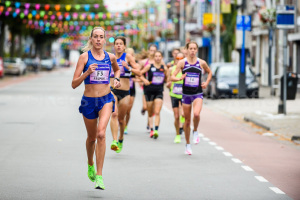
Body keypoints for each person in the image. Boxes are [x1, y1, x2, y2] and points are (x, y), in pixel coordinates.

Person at [71, 27, 121, 189]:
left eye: (101, 37)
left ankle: (99, 175)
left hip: (106, 99)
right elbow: (73, 84)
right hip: (88, 101)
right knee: (91, 138)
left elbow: (117, 69)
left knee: (101, 134)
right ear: (91, 39)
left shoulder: (110, 57)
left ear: (105, 40)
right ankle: (90, 163)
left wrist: (117, 79)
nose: (98, 40)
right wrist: (86, 73)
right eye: (96, 37)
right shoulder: (84, 58)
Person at [171, 41, 212, 155]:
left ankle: (195, 131)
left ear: (197, 50)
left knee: (197, 114)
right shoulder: (182, 63)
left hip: (197, 93)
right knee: (187, 121)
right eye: (191, 49)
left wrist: (206, 82)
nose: (193, 51)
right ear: (187, 50)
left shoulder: (201, 62)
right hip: (186, 94)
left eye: (194, 49)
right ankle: (188, 145)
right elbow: (172, 77)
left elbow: (209, 72)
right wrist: (179, 78)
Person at [110, 36, 141, 153]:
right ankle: (114, 141)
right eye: (116, 44)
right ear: (114, 46)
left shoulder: (128, 57)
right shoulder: (110, 58)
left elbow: (139, 72)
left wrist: (129, 68)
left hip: (125, 92)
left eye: (120, 44)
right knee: (113, 114)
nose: (118, 45)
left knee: (121, 119)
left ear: (124, 46)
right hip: (112, 90)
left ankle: (121, 138)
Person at [140, 51, 168, 139]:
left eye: (159, 56)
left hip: (159, 91)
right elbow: (140, 74)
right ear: (154, 57)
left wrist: (167, 82)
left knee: (157, 112)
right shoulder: (149, 66)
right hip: (149, 91)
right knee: (150, 112)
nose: (158, 58)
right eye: (156, 56)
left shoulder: (164, 68)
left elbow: (167, 78)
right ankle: (151, 129)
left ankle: (156, 130)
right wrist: (144, 80)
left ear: (162, 57)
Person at [166, 52, 185, 143]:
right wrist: (168, 84)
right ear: (175, 59)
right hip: (174, 94)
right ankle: (177, 134)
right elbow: (168, 81)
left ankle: (183, 118)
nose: (179, 60)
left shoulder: (186, 70)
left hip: (184, 95)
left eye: (181, 58)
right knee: (176, 116)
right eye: (178, 58)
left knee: (183, 114)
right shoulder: (171, 69)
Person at [139, 44, 157, 133]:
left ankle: (149, 124)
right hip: (146, 87)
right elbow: (139, 73)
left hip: (156, 87)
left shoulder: (158, 62)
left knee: (153, 108)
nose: (152, 52)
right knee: (147, 106)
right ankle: (144, 109)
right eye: (151, 50)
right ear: (148, 51)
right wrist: (142, 80)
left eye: (154, 50)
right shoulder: (144, 62)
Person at [124, 48, 139, 135]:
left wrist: (135, 79)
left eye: (131, 55)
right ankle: (121, 121)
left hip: (131, 89)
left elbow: (139, 75)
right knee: (121, 110)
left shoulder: (135, 65)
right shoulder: (121, 64)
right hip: (122, 89)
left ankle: (125, 125)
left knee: (128, 110)